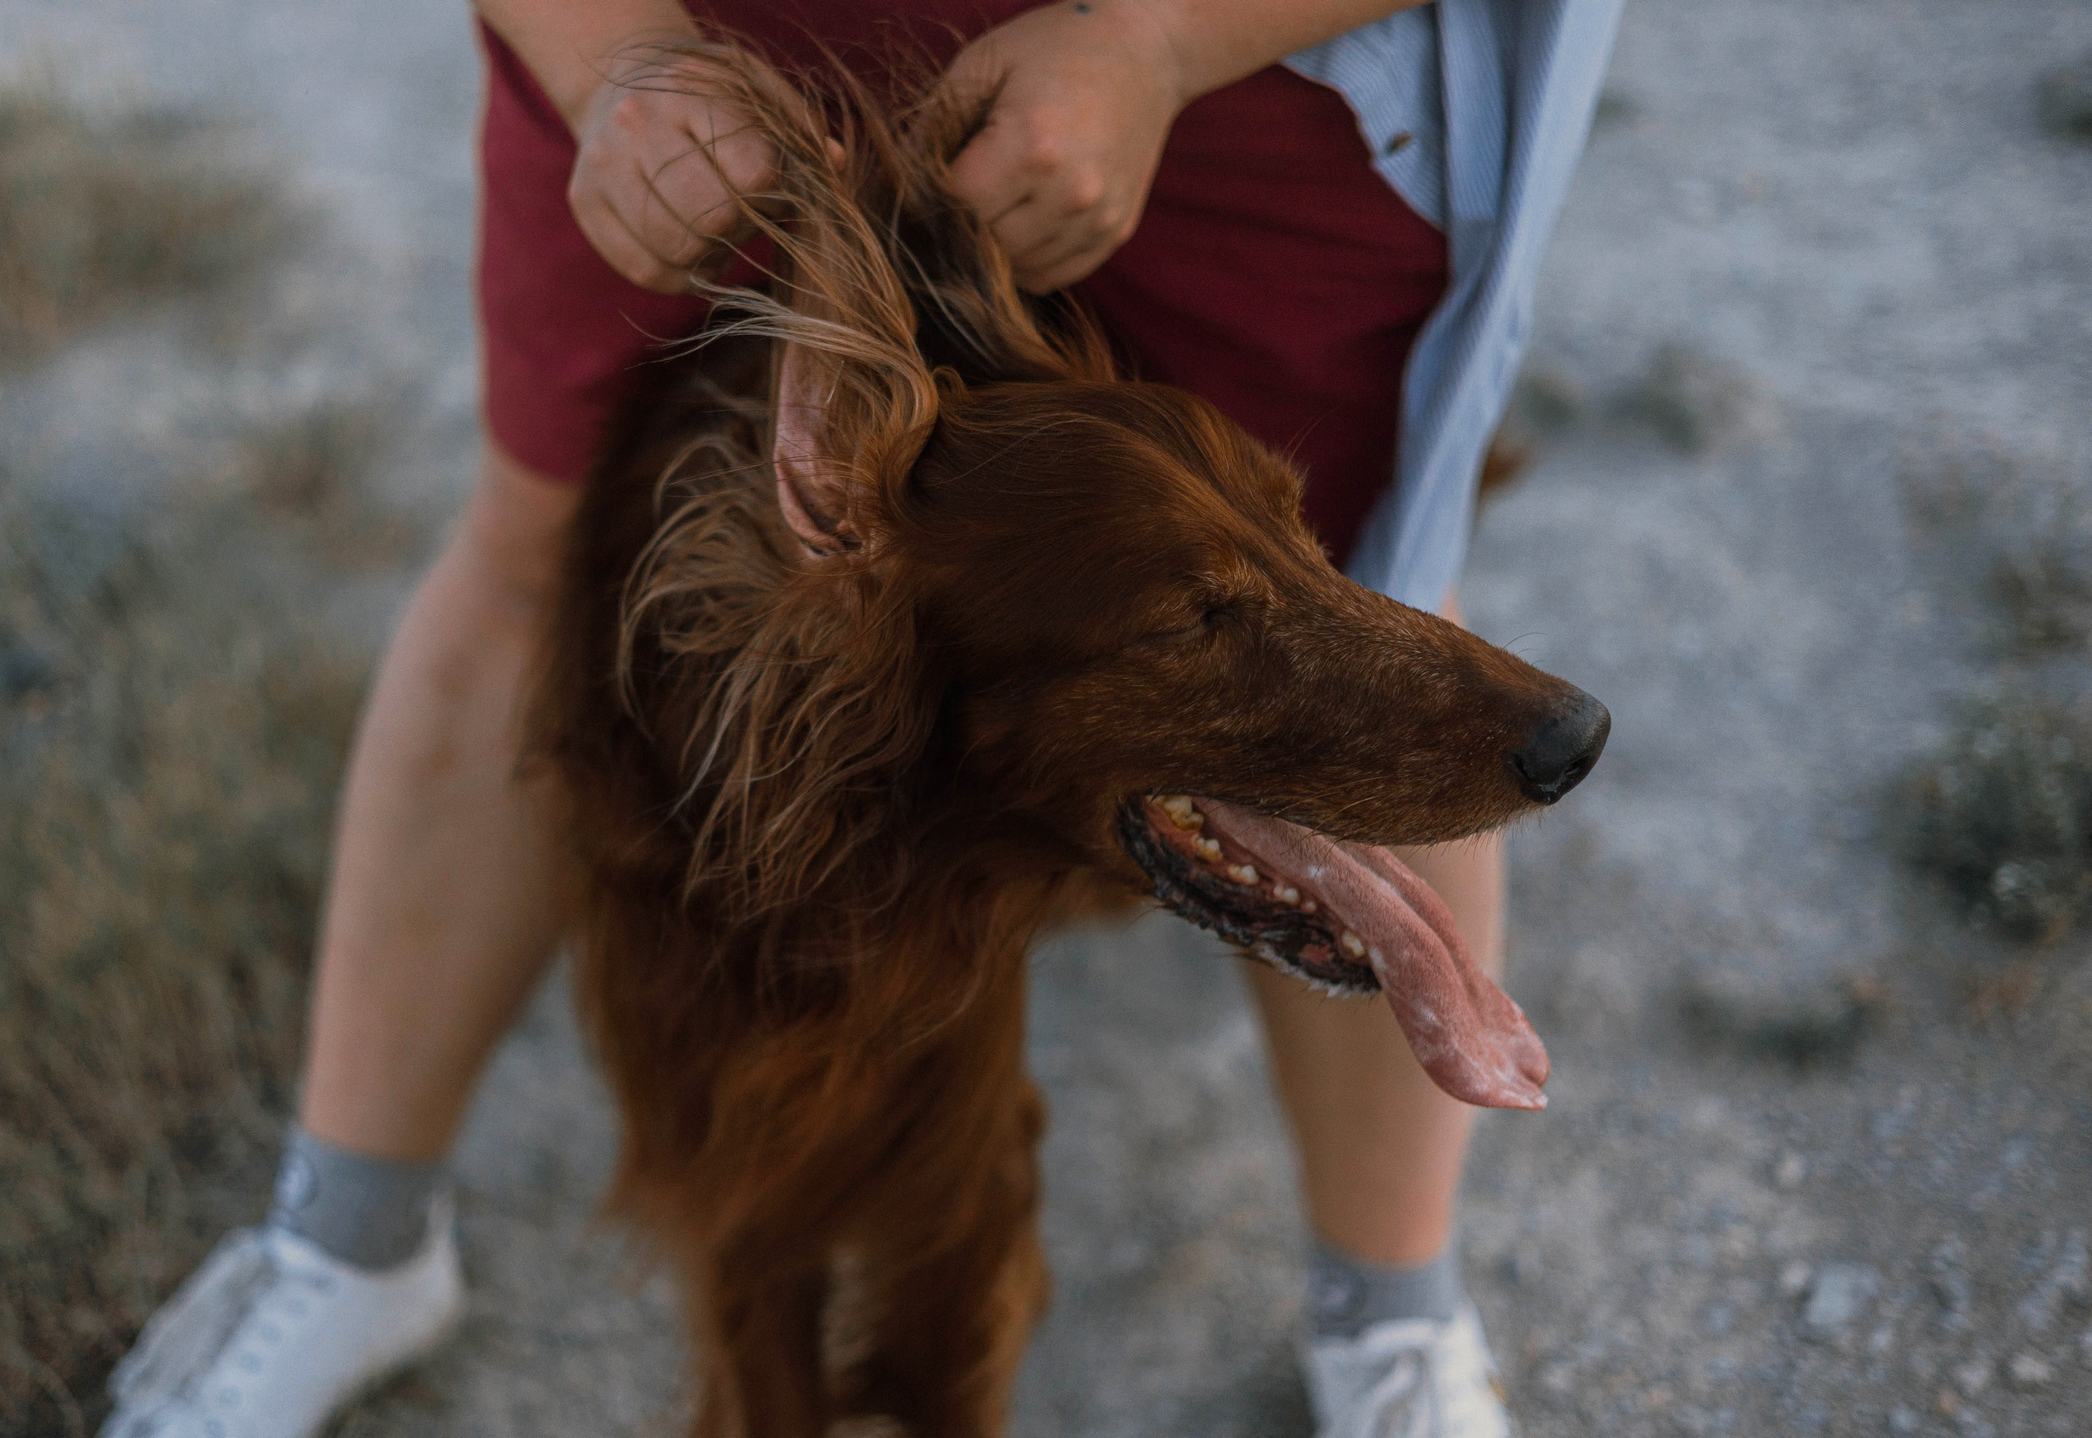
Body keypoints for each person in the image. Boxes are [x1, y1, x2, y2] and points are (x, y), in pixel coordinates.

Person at [97, 1, 1623, 1435]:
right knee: (537, 568)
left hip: (1242, 80)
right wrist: (612, 56)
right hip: (704, 68)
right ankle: (349, 1239)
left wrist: (1158, 38)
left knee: (1354, 582)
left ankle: (1390, 1308)